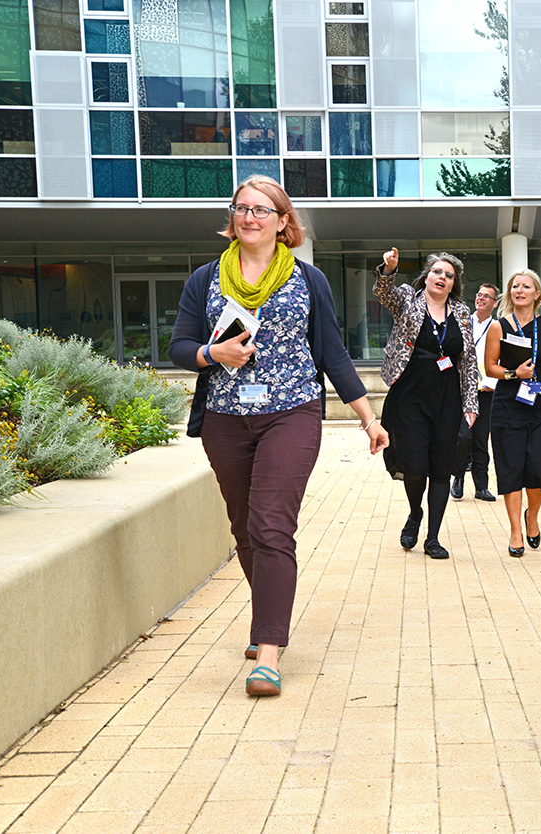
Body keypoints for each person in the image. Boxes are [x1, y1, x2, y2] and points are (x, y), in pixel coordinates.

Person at [170, 174, 388, 699]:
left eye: (262, 209)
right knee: (244, 527)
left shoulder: (309, 280)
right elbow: (179, 347)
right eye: (241, 208)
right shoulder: (204, 279)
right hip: (224, 419)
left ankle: (268, 650)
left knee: (271, 524)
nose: (249, 217)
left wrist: (367, 416)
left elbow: (332, 352)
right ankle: (269, 608)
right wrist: (211, 355)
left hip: (291, 412)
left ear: (283, 221)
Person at [375, 247, 478, 561]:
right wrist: (388, 270)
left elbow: (469, 359)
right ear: (427, 276)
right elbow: (384, 294)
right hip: (410, 396)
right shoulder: (409, 298)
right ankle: (415, 512)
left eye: (449, 275)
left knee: (441, 469)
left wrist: (471, 403)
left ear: (453, 283)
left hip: (447, 397)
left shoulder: (461, 313)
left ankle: (433, 538)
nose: (442, 278)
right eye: (437, 272)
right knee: (416, 465)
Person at [484, 269, 541, 556]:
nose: (520, 290)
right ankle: (516, 531)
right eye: (515, 286)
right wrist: (513, 373)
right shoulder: (498, 326)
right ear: (510, 293)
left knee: (538, 466)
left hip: (540, 403)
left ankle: (532, 516)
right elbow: (490, 367)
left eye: (526, 286)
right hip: (508, 403)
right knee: (510, 467)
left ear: (537, 294)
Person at [452, 283, 500, 503]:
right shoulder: (462, 322)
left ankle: (481, 486)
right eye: (479, 294)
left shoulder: (497, 328)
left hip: (486, 391)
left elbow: (500, 359)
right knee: (463, 436)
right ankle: (458, 477)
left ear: (494, 303)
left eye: (486, 296)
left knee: (481, 440)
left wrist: (493, 382)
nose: (480, 298)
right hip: (462, 390)